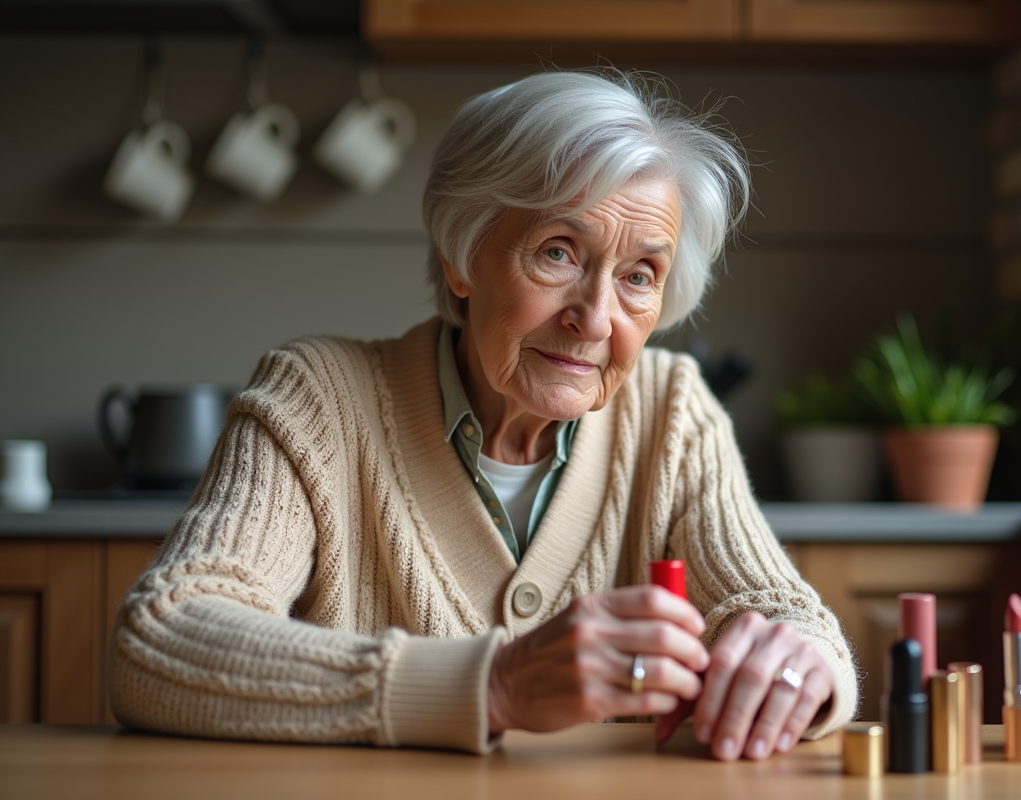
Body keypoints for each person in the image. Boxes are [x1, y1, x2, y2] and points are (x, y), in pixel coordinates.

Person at [109, 69, 859, 761]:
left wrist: (802, 660)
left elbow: (775, 610)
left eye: (639, 276)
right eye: (559, 251)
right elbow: (161, 642)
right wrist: (493, 683)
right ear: (461, 256)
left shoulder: (671, 411)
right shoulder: (319, 398)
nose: (596, 319)